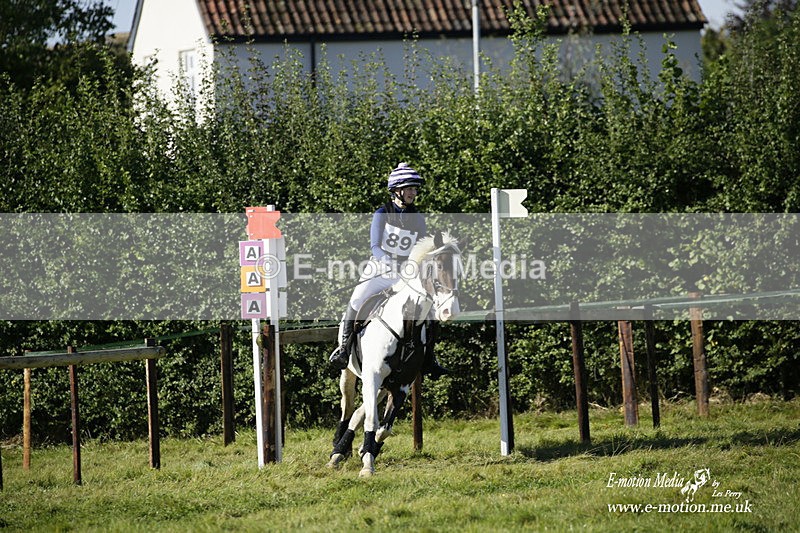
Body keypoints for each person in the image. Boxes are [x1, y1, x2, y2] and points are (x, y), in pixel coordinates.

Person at [328, 162, 448, 379]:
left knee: (428, 310)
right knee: (356, 301)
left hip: (406, 274)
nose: (413, 193)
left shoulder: (418, 218)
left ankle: (430, 358)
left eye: (414, 189)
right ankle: (344, 349)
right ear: (398, 190)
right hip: (380, 269)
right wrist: (391, 262)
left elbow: (421, 246)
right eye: (410, 189)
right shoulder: (382, 213)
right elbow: (375, 246)